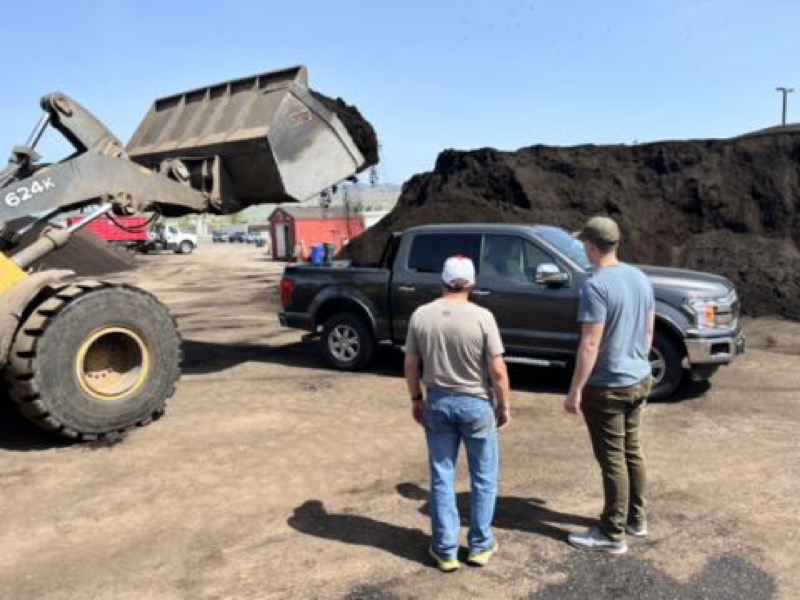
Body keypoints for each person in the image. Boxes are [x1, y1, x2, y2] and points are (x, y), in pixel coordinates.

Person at [404, 255, 511, 572]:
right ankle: (480, 545)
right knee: (483, 477)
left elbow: (411, 363)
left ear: (443, 280)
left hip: (437, 402)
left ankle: (446, 550)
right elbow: (497, 370)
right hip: (476, 404)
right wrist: (504, 405)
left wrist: (415, 398)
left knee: (442, 476)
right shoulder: (483, 317)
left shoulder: (421, 315)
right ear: (472, 283)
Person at [565, 216, 655, 555]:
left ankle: (611, 533)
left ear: (591, 246)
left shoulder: (596, 286)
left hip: (608, 387)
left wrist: (575, 390)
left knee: (612, 459)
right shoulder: (639, 277)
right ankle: (636, 519)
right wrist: (637, 363)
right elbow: (648, 330)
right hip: (638, 377)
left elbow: (590, 344)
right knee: (632, 450)